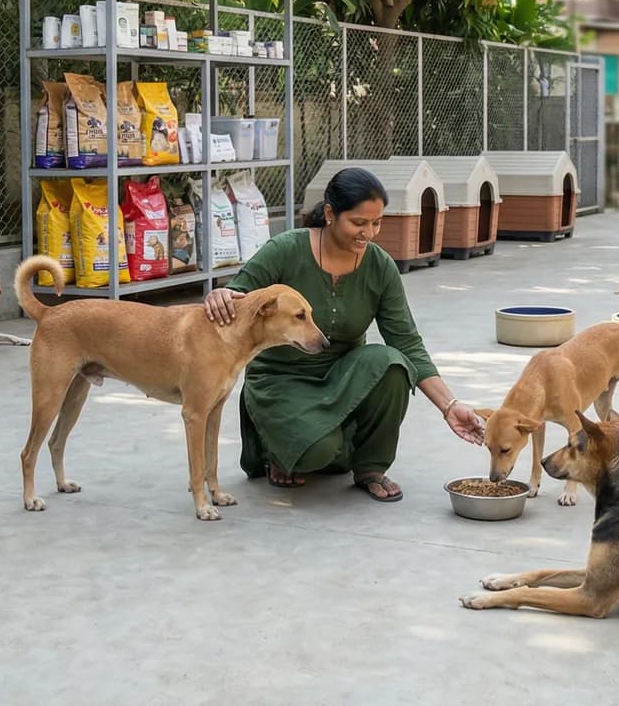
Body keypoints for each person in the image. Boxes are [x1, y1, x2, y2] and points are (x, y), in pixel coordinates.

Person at [203, 167, 485, 501]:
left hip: (343, 376)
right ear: (329, 214)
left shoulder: (380, 266)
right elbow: (238, 295)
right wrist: (220, 296)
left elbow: (407, 341)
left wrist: (449, 406)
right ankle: (276, 448)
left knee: (392, 363)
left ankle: (370, 467)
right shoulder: (285, 250)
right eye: (358, 222)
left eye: (376, 222)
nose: (369, 233)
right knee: (317, 455)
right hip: (281, 379)